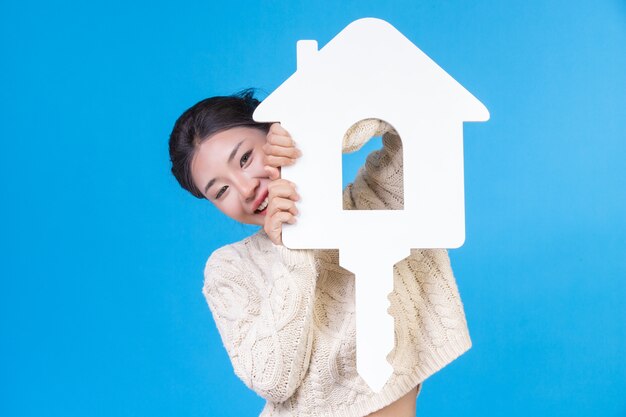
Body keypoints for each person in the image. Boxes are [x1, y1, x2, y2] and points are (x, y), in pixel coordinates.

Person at [168, 89, 472, 417]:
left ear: (274, 134)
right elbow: (272, 380)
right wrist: (292, 248)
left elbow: (419, 116)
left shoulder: (370, 202)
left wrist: (315, 138)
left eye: (245, 158)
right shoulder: (231, 269)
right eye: (221, 190)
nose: (246, 189)